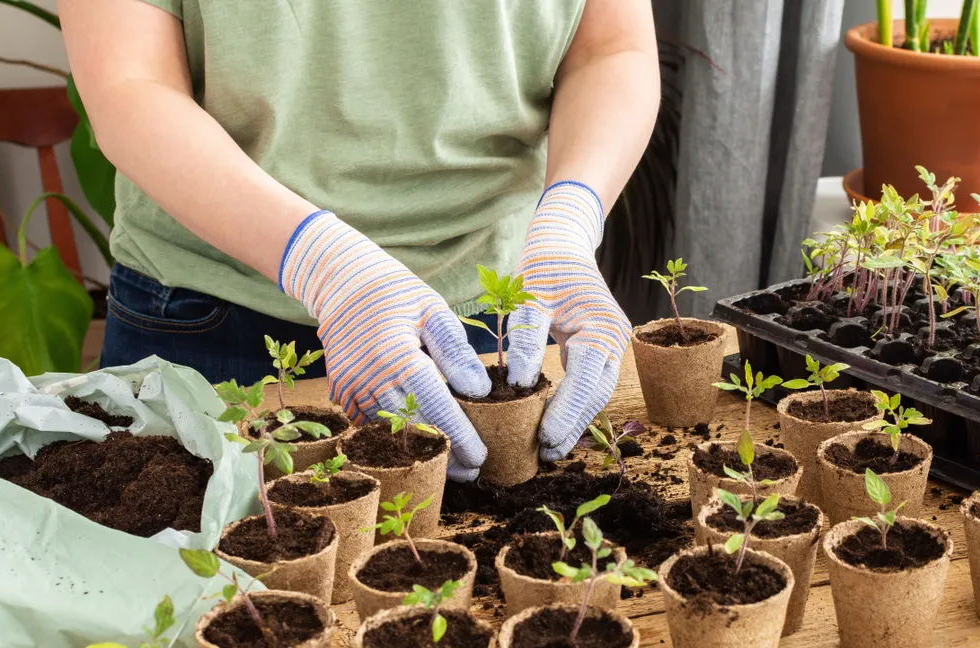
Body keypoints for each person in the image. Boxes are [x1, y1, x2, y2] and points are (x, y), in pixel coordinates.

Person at [61, 0, 659, 482]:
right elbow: (129, 81)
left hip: (490, 320)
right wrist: (327, 267)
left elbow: (609, 47)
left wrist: (569, 221)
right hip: (216, 318)